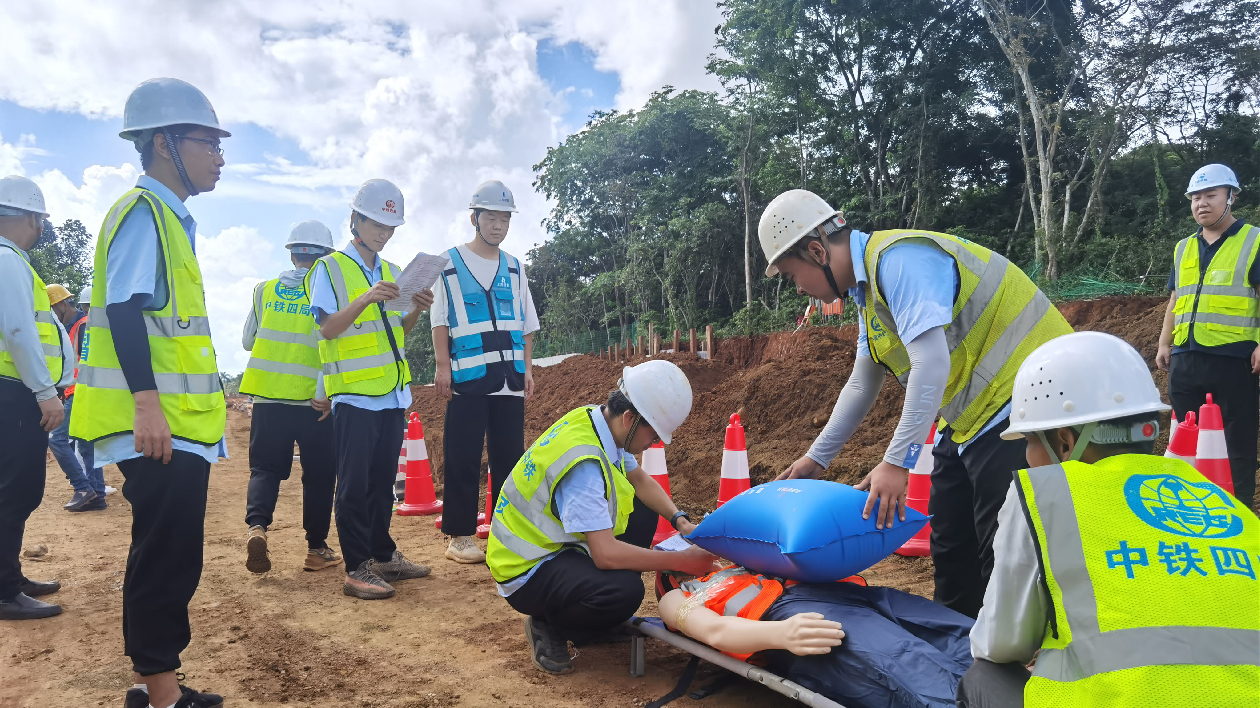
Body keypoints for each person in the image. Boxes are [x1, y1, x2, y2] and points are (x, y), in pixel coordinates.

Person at [763, 189, 1073, 618]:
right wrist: (817, 459)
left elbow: (930, 362)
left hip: (1029, 406)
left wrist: (897, 462)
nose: (798, 289)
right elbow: (863, 379)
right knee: (951, 547)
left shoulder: (900, 261)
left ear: (817, 251)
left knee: (1003, 553)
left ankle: (1014, 668)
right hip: (974, 417)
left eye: (791, 275)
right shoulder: (867, 290)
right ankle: (957, 656)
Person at [958, 331, 1260, 707]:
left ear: (1065, 442)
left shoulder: (1049, 495)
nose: (1027, 457)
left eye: (1029, 442)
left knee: (983, 676)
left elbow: (1001, 642)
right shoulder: (1222, 503)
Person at [69, 78, 229, 708]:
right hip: (159, 422)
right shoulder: (145, 213)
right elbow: (124, 308)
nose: (219, 156)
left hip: (175, 420)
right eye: (208, 143)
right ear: (166, 144)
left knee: (162, 550)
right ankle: (162, 694)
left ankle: (153, 683)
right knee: (168, 556)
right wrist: (146, 404)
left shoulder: (168, 219)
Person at [487, 360, 720, 675]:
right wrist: (680, 562)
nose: (656, 443)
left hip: (553, 546)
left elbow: (639, 481)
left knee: (642, 509)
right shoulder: (584, 464)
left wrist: (680, 520)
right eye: (654, 435)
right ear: (630, 418)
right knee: (624, 591)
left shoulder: (598, 422)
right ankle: (549, 623)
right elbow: (606, 554)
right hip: (526, 569)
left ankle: (596, 615)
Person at [305, 178, 435, 600]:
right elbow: (328, 329)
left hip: (393, 392)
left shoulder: (394, 272)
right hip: (356, 394)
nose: (383, 232)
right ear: (355, 220)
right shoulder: (327, 269)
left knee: (382, 482)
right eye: (376, 223)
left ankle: (382, 554)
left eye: (390, 226)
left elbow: (398, 332)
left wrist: (415, 307)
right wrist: (365, 298)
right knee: (354, 483)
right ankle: (357, 566)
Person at [657, 566, 975, 708]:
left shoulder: (738, 559)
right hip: (791, 618)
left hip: (845, 591)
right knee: (910, 668)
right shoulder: (676, 597)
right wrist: (781, 633)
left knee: (968, 638)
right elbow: (715, 631)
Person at [433, 180, 538, 564]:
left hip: (509, 377)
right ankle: (459, 537)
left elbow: (527, 323)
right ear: (474, 218)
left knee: (509, 457)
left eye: (504, 218)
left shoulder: (514, 266)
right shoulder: (448, 263)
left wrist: (527, 369)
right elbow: (439, 320)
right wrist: (442, 367)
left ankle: (505, 532)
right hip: (468, 375)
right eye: (491, 217)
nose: (498, 225)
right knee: (462, 455)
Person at [1156, 163, 1259, 509]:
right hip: (1185, 358)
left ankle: (1240, 510)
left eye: (1211, 195)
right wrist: (1164, 342)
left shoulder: (1253, 241)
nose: (1202, 203)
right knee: (1186, 438)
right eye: (1195, 197)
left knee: (1237, 440)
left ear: (1230, 197)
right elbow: (1175, 298)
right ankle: (1189, 509)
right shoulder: (1183, 247)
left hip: (1233, 358)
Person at [240, 220, 340, 574]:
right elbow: (334, 341)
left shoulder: (264, 289)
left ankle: (258, 528)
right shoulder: (328, 292)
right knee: (319, 474)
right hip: (314, 402)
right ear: (326, 256)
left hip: (268, 397)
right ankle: (316, 549)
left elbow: (250, 342)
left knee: (265, 469)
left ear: (293, 252)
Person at [0, 175, 73, 621]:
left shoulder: (13, 262)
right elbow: (18, 332)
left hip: (12, 392)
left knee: (12, 491)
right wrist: (46, 392)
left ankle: (10, 575)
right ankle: (5, 591)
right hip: (15, 394)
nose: (42, 227)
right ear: (29, 217)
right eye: (41, 219)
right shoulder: (9, 260)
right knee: (14, 491)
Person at [46, 283, 108, 511]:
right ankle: (97, 495)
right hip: (76, 392)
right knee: (86, 445)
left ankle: (82, 487)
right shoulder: (68, 326)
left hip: (80, 392)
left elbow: (89, 363)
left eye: (52, 308)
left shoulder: (83, 326)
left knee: (57, 439)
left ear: (62, 304)